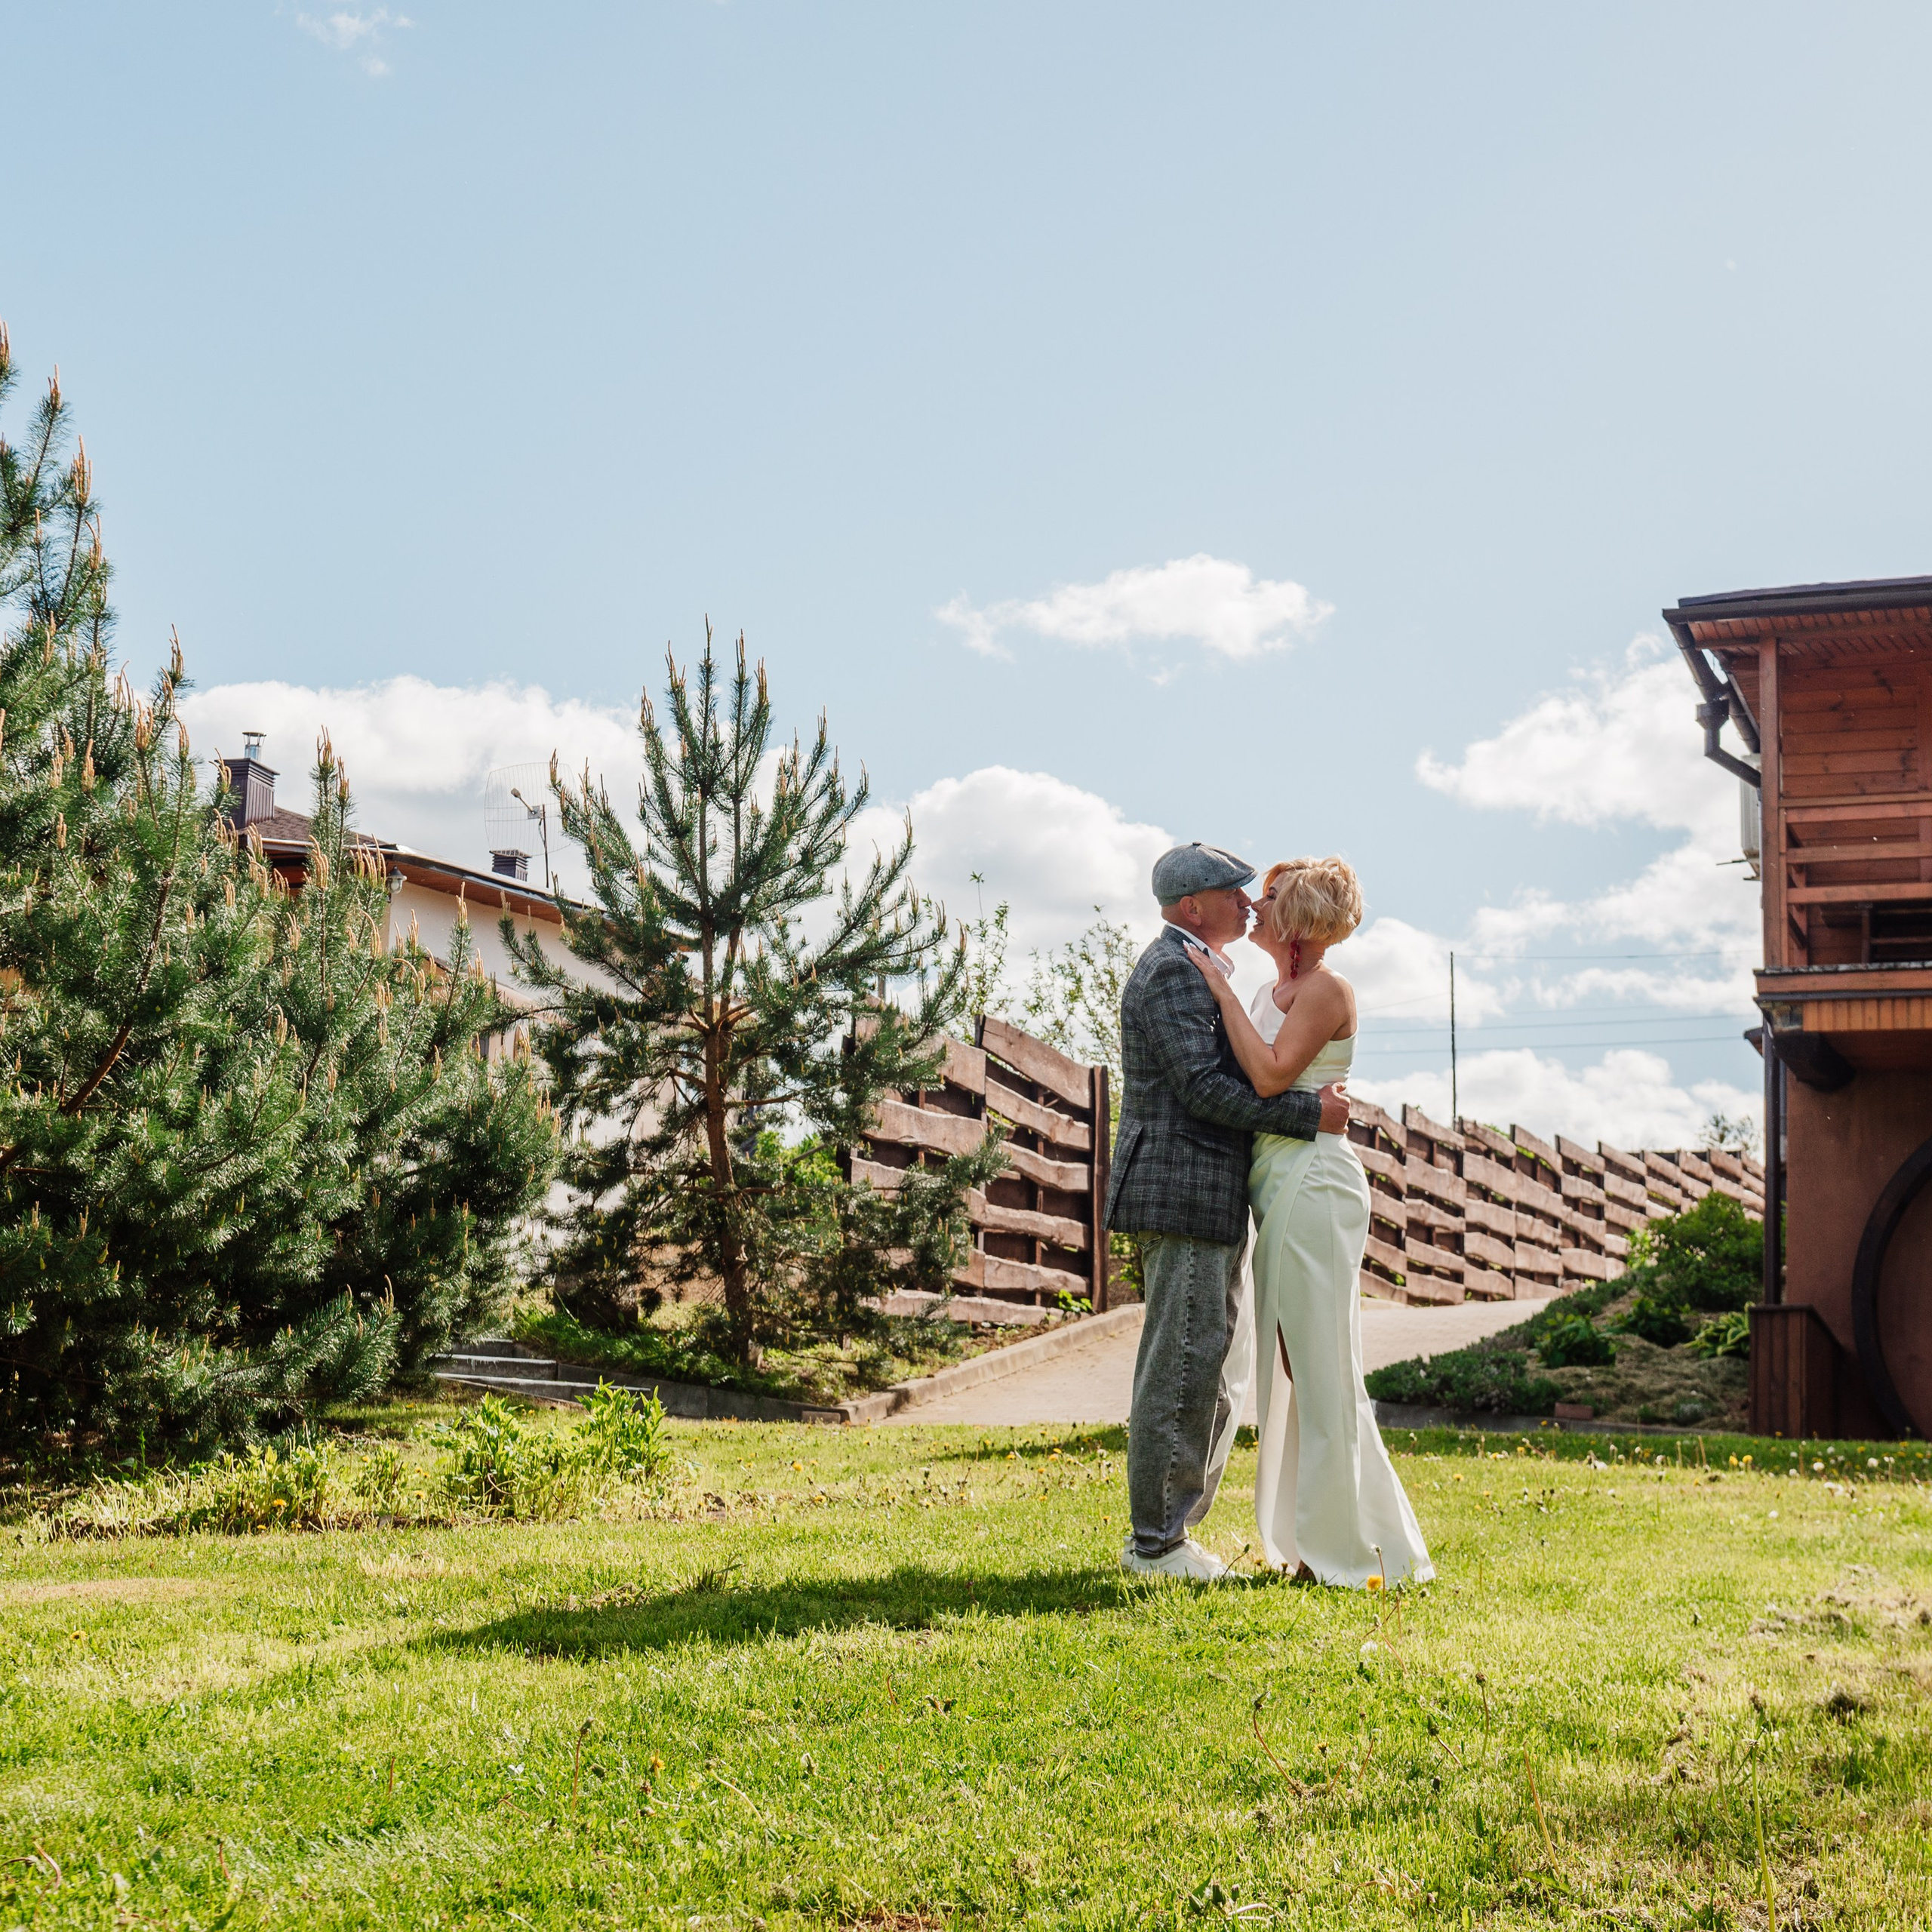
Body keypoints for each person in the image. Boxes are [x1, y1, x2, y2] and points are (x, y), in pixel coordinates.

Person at [1183, 856, 1433, 1587]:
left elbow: (1267, 1075)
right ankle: (1313, 1537)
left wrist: (1218, 992)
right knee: (1293, 1366)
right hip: (1275, 1179)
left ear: (1296, 916)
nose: (1252, 907)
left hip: (1316, 1181)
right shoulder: (1270, 989)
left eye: (1267, 898)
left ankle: (1352, 1552)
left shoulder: (1327, 990)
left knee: (1320, 1366)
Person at [1104, 842, 1351, 1581]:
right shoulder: (1173, 974)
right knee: (1181, 1364)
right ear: (1191, 907)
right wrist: (1313, 1115)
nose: (1249, 903)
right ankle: (1155, 1543)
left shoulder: (1196, 969)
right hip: (1182, 1191)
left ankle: (1172, 1533)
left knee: (1207, 1362)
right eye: (1232, 892)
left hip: (1206, 1193)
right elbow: (1204, 1093)